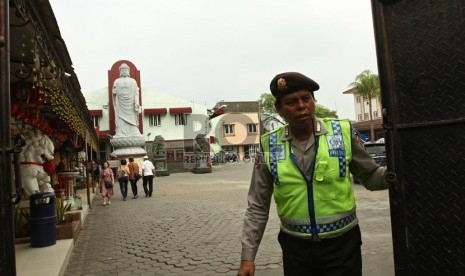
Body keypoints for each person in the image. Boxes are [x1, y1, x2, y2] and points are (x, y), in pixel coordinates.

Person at [237, 72, 389, 276]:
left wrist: (396, 175)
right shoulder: (268, 146)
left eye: (306, 98)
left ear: (313, 101)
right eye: (292, 101)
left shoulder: (341, 132)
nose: (301, 106)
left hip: (342, 246)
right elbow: (257, 206)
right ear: (279, 109)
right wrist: (248, 257)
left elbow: (370, 176)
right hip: (296, 250)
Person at [112, 63, 142, 137]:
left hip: (131, 104)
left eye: (126, 69)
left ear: (128, 71)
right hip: (121, 104)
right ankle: (120, 132)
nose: (124, 71)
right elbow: (114, 92)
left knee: (132, 118)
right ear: (120, 72)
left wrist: (137, 103)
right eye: (122, 69)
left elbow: (136, 93)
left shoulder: (133, 81)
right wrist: (114, 92)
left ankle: (134, 131)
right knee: (121, 118)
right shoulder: (117, 81)